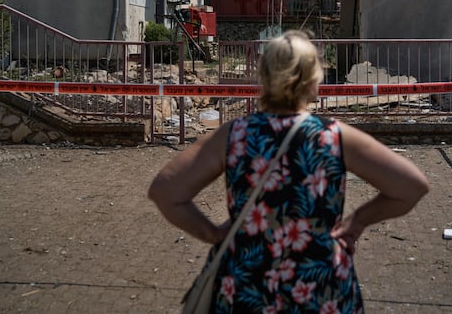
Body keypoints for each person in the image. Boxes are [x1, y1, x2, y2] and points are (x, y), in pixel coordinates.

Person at [148, 30, 429, 313]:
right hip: (321, 289)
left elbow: (165, 191)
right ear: (312, 79)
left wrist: (212, 234)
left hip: (247, 286)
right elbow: (412, 186)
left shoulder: (235, 135)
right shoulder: (334, 136)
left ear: (264, 76)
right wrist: (357, 221)